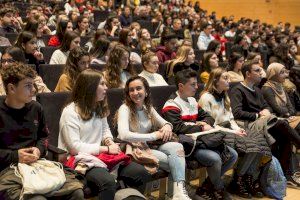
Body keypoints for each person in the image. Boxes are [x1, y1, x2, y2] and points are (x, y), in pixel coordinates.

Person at [58, 69, 151, 200]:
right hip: (78, 160)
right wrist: (106, 148)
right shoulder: (70, 112)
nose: (106, 88)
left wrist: (109, 141)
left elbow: (105, 130)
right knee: (107, 182)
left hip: (99, 156)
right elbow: (74, 148)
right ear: (90, 87)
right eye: (102, 84)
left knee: (141, 173)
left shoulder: (98, 106)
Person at [0, 63, 84, 200]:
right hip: (8, 168)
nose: (34, 90)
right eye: (28, 86)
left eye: (33, 85)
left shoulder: (36, 108)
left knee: (77, 192)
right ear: (11, 88)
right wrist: (15, 156)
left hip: (37, 164)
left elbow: (44, 137)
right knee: (37, 198)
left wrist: (39, 150)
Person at [162, 69, 237, 200]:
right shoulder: (171, 104)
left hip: (203, 141)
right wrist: (200, 126)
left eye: (196, 84)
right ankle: (218, 187)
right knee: (215, 159)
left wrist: (197, 124)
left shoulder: (192, 100)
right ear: (181, 86)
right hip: (188, 146)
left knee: (233, 155)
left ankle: (207, 187)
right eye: (193, 84)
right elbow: (178, 128)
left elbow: (209, 118)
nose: (197, 87)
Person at [199, 68, 271, 198]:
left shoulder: (224, 96)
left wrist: (237, 129)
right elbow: (209, 124)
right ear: (215, 80)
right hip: (214, 133)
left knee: (259, 140)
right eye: (225, 78)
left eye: (228, 78)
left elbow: (231, 118)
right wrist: (232, 131)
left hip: (228, 130)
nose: (229, 81)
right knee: (250, 145)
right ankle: (222, 183)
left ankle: (241, 178)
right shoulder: (206, 97)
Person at [117, 76, 191, 200]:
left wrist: (167, 126)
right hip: (132, 149)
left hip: (147, 145)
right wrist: (153, 135)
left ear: (146, 91)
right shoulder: (125, 108)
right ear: (128, 93)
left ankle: (178, 194)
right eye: (131, 90)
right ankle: (176, 195)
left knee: (177, 147)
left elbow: (165, 123)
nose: (135, 93)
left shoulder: (147, 107)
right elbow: (124, 134)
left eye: (139, 88)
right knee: (175, 161)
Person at [229, 60, 300, 188]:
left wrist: (266, 110)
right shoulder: (237, 90)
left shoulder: (257, 89)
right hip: (248, 123)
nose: (261, 73)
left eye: (260, 70)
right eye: (257, 70)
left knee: (284, 137)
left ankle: (285, 175)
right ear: (247, 74)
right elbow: (237, 113)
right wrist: (258, 114)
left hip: (263, 122)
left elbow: (266, 106)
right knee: (282, 124)